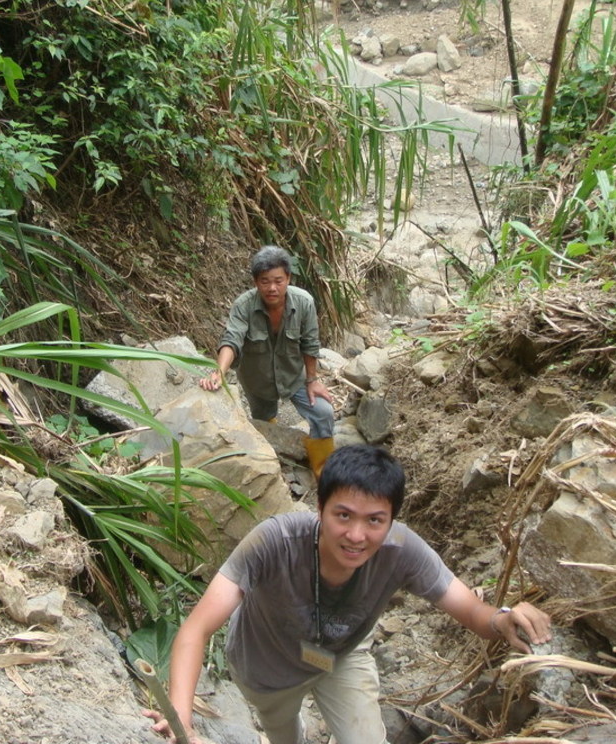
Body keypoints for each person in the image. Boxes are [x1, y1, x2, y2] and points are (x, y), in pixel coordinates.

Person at [144, 444, 553, 744]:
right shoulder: (274, 541)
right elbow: (196, 630)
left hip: (341, 655)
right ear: (319, 508)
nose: (357, 536)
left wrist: (504, 619)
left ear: (391, 519)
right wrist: (180, 714)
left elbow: (470, 611)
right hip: (266, 667)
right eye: (343, 515)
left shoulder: (402, 549)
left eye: (375, 520)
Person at [199, 245, 335, 478]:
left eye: (278, 281)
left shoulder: (304, 303)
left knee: (323, 412)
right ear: (255, 282)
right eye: (265, 281)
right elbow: (232, 339)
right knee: (263, 424)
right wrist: (219, 372)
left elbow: (311, 343)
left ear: (288, 278)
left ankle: (325, 473)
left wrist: (312, 380)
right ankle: (273, 468)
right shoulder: (244, 305)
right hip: (257, 381)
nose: (272, 288)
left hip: (295, 377)